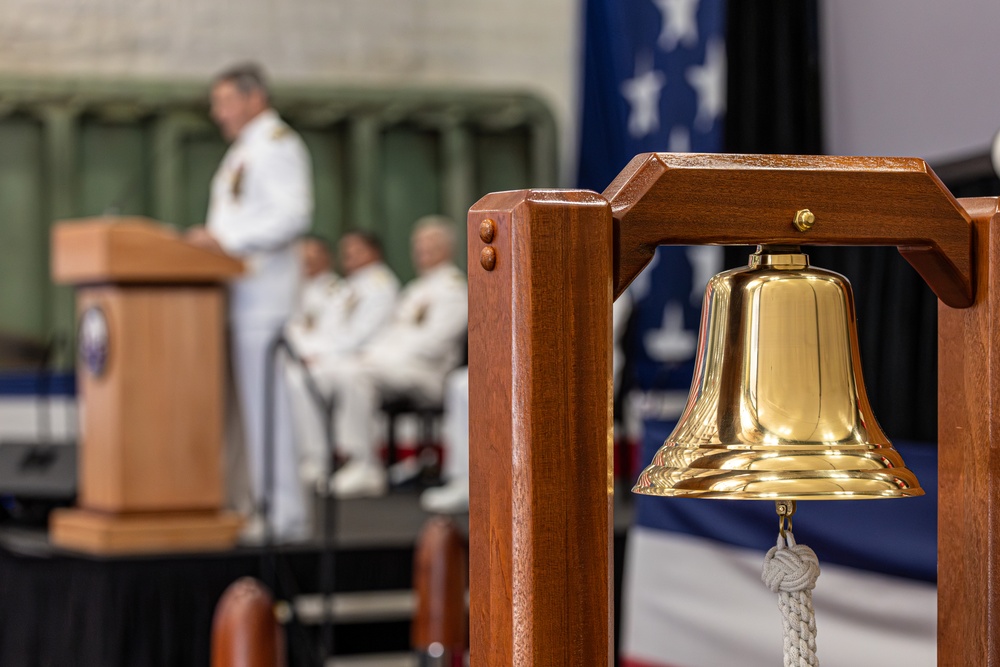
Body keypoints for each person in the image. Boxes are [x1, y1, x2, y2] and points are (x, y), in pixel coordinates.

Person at [186, 63, 313, 542]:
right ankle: (260, 503)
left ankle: (286, 514)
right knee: (249, 413)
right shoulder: (247, 149)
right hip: (241, 296)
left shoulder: (277, 146)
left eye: (224, 102)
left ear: (253, 97)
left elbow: (293, 215)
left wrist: (224, 241)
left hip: (264, 297)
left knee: (268, 409)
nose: (218, 114)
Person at [419, 289, 634, 514]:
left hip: (587, 373)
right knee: (462, 382)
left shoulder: (613, 286)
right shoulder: (563, 278)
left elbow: (590, 338)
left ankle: (511, 485)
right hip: (545, 360)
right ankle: (467, 481)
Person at [312, 216, 468, 498]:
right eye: (418, 245)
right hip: (400, 367)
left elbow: (434, 344)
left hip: (429, 374)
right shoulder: (414, 290)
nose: (421, 251)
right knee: (349, 369)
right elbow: (392, 335)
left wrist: (381, 359)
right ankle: (349, 460)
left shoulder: (454, 288)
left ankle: (364, 464)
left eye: (430, 245)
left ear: (448, 248)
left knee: (357, 373)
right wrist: (373, 355)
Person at [285, 230, 400, 485]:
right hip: (344, 355)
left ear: (373, 252)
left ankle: (359, 460)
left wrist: (321, 354)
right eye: (346, 249)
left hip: (370, 356)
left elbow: (363, 332)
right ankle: (314, 456)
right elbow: (332, 330)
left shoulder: (379, 283)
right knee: (300, 378)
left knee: (331, 376)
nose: (348, 254)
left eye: (356, 249)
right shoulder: (352, 286)